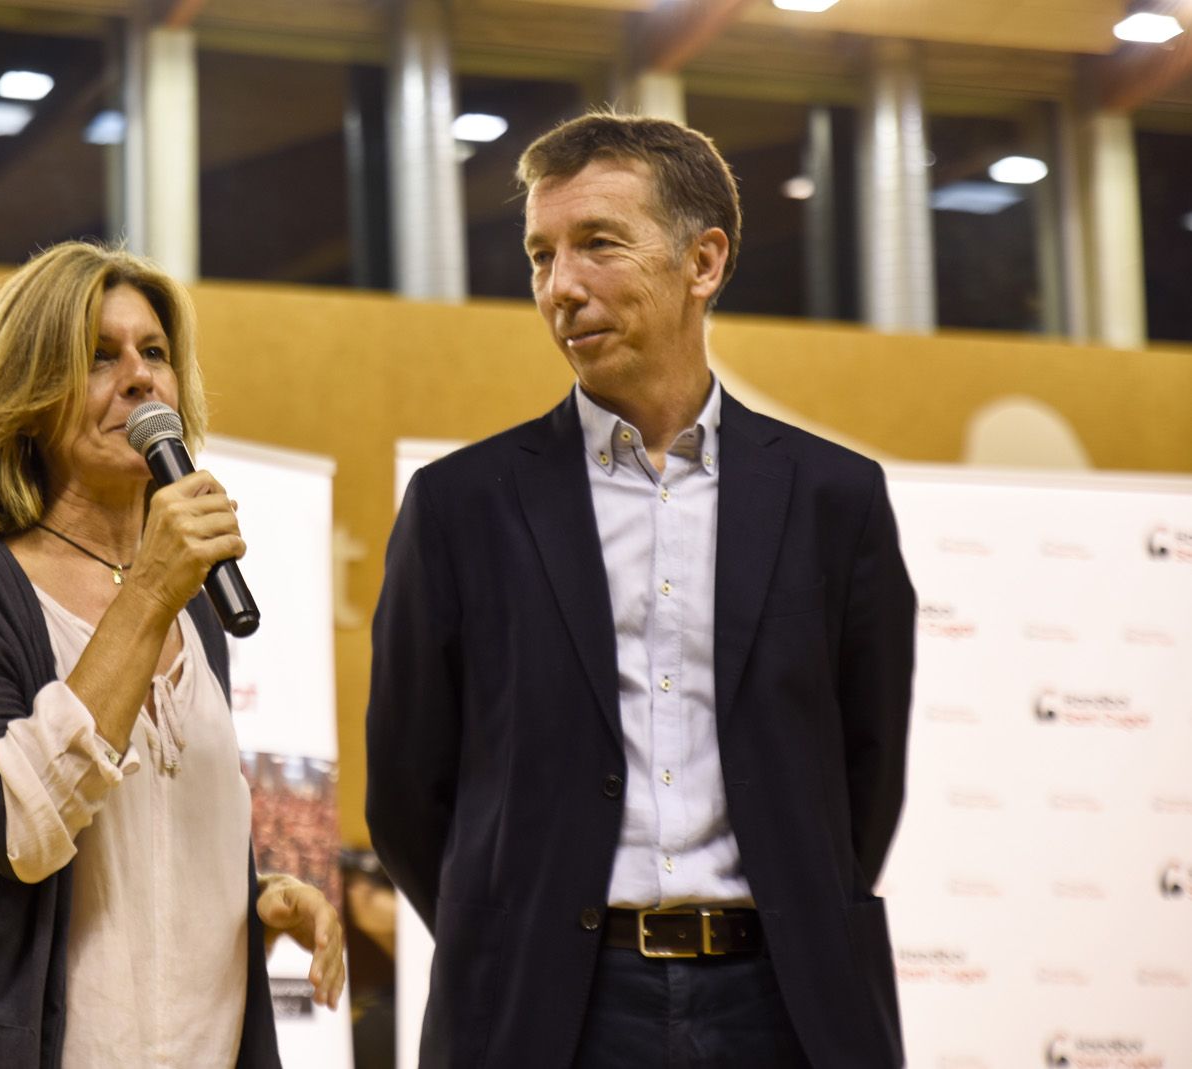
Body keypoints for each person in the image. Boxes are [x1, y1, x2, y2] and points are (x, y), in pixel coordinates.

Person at [365, 112, 915, 1068]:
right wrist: (520, 938)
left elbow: (865, 771)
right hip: (544, 1011)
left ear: (703, 262)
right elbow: (410, 793)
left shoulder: (835, 499)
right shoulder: (460, 506)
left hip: (786, 1004)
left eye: (597, 245)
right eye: (541, 255)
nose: (560, 287)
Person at [0, 241, 345, 1069]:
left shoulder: (196, 610)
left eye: (154, 353)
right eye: (99, 358)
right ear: (28, 392)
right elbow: (19, 829)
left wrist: (254, 899)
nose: (142, 378)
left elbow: (130, 856)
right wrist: (147, 592)